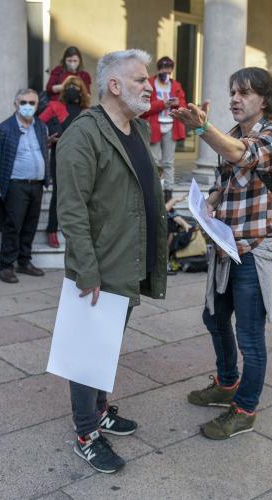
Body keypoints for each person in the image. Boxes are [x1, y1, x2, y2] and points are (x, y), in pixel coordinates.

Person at [57, 49, 167, 474]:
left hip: (127, 258)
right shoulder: (82, 134)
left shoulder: (134, 130)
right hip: (99, 266)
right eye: (140, 79)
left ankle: (101, 410)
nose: (148, 85)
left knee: (107, 347)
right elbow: (72, 208)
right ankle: (86, 433)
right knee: (86, 352)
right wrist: (87, 269)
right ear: (114, 85)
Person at [171, 67, 272, 441]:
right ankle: (226, 383)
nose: (234, 99)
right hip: (226, 246)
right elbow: (226, 179)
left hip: (255, 249)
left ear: (265, 100)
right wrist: (208, 201)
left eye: (244, 93)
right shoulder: (234, 133)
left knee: (250, 337)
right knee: (214, 318)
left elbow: (242, 156)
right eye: (232, 92)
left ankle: (245, 409)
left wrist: (203, 129)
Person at [0, 89, 50, 284]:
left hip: (37, 185)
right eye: (24, 102)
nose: (28, 106)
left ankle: (24, 261)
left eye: (32, 103)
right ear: (15, 104)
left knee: (30, 225)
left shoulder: (41, 127)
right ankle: (6, 266)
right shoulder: (4, 129)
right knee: (12, 226)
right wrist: (6, 182)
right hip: (16, 185)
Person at [38, 75, 91, 248]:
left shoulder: (87, 111)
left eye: (76, 87)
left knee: (80, 193)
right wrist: (48, 138)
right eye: (69, 86)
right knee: (59, 193)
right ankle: (52, 230)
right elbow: (37, 126)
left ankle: (77, 230)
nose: (72, 90)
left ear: (82, 91)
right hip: (59, 155)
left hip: (81, 157)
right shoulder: (54, 106)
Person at [142, 56, 188, 199]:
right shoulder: (150, 83)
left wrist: (175, 103)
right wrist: (163, 104)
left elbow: (183, 105)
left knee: (168, 162)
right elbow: (144, 108)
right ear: (158, 69)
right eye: (163, 69)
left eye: (168, 69)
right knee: (154, 162)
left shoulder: (176, 85)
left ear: (172, 70)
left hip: (171, 126)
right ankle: (154, 191)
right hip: (154, 126)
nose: (165, 72)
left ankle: (168, 192)